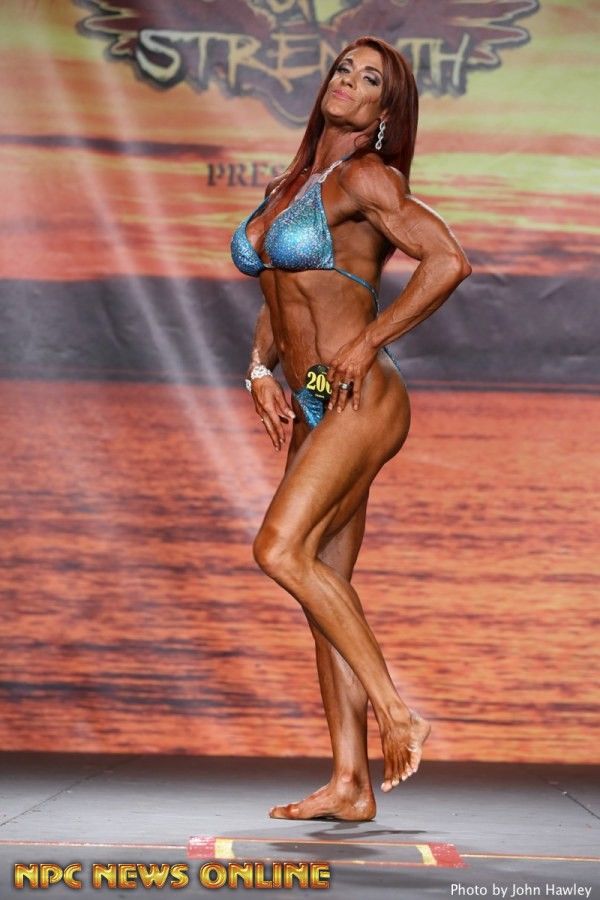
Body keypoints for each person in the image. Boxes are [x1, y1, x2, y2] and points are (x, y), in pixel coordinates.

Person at [230, 35, 471, 822]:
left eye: (369, 80)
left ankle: (400, 713)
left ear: (383, 112)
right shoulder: (291, 183)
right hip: (312, 401)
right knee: (322, 590)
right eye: (344, 69)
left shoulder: (368, 177)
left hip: (362, 398)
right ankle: (350, 784)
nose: (348, 83)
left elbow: (447, 260)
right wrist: (259, 369)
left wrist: (369, 341)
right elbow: (279, 293)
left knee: (279, 550)